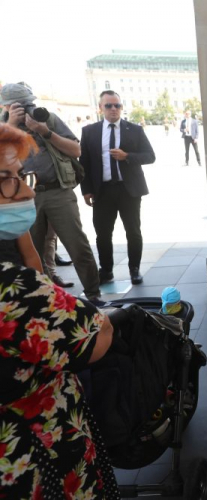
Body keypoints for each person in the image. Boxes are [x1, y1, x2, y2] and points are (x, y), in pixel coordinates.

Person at [0, 123, 119, 498]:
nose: (26, 190)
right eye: (7, 179)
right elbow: (97, 337)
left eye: (22, 176)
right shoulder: (13, 291)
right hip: (36, 463)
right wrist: (23, 245)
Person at [0, 82, 103, 304]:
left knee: (77, 244)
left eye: (29, 104)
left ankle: (94, 294)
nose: (27, 109)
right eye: (19, 105)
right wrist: (11, 125)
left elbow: (76, 150)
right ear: (6, 106)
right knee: (32, 251)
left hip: (58, 191)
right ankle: (46, 299)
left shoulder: (48, 119)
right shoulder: (3, 126)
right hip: (23, 197)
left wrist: (44, 131)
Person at [79, 90, 155, 285]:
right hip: (102, 191)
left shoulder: (134, 130)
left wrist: (127, 156)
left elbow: (149, 156)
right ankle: (106, 270)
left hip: (128, 190)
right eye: (109, 106)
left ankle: (134, 269)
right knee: (103, 233)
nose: (113, 109)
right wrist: (86, 190)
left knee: (133, 231)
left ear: (121, 107)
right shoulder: (90, 132)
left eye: (117, 105)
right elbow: (84, 163)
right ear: (100, 108)